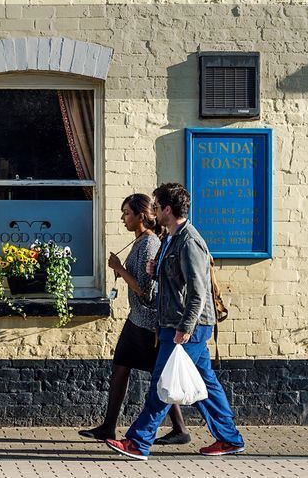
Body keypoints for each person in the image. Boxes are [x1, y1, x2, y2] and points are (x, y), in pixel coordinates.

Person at [106, 183, 246, 461]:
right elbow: (176, 281)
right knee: (207, 383)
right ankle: (229, 438)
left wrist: (185, 327)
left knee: (162, 382)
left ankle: (138, 441)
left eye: (156, 207)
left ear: (168, 209)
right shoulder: (172, 237)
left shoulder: (189, 241)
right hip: (174, 322)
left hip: (186, 325)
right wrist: (155, 271)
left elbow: (198, 291)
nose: (154, 211)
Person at [79, 194, 189, 445]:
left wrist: (119, 268)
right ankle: (109, 426)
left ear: (142, 216)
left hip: (147, 322)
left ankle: (179, 428)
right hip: (137, 318)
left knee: (157, 374)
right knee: (122, 367)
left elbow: (146, 291)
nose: (122, 218)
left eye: (127, 213)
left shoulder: (149, 243)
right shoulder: (140, 242)